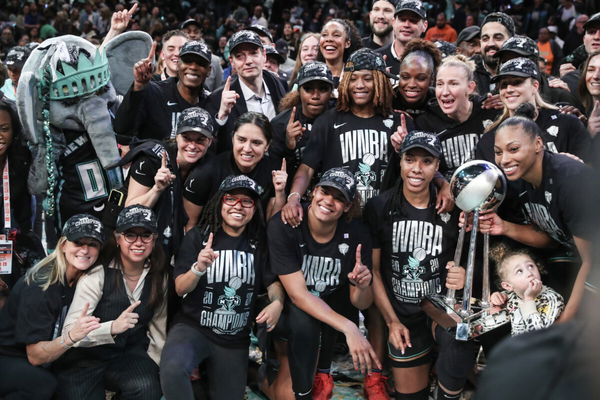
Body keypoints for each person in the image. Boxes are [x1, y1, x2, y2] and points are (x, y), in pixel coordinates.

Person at [365, 130, 476, 400]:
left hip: (439, 308)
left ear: (437, 166)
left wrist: (463, 275)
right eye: (410, 159)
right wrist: (392, 322)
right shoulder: (379, 207)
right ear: (400, 161)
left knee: (461, 339)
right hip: (403, 315)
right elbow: (375, 271)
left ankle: (447, 389)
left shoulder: (453, 208)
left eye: (426, 161)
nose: (417, 168)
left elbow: (467, 257)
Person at [160, 175, 284, 400]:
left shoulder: (259, 242)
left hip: (234, 338)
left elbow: (273, 283)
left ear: (254, 208)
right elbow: (179, 288)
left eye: (246, 201)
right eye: (231, 199)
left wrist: (277, 303)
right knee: (173, 370)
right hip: (193, 328)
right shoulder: (198, 237)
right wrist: (198, 268)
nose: (238, 206)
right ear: (220, 202)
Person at [268, 168, 379, 400]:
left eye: (338, 198)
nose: (329, 201)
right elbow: (298, 295)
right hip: (288, 309)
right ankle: (262, 374)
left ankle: (322, 371)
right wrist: (350, 328)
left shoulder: (357, 233)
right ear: (313, 192)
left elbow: (360, 303)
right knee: (291, 394)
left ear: (347, 207)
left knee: (336, 298)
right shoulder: (286, 223)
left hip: (330, 311)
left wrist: (363, 286)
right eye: (325, 192)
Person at [480, 104, 597, 322]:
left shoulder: (570, 179)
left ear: (538, 144)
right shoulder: (519, 181)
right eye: (498, 152)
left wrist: (564, 321)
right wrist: (504, 227)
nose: (504, 159)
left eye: (513, 149)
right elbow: (551, 238)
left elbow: (592, 260)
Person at [282, 48, 405, 228]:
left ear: (380, 81)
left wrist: (403, 150)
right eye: (353, 79)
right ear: (345, 81)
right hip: (339, 219)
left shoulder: (399, 122)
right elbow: (307, 168)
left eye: (367, 78)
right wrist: (293, 198)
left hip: (384, 218)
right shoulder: (328, 121)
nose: (359, 85)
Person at [55, 205, 168, 400]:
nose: (138, 242)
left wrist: (159, 366)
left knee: (148, 388)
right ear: (117, 238)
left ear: (154, 239)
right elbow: (70, 332)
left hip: (129, 355)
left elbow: (159, 329)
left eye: (146, 235)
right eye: (130, 235)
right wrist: (112, 327)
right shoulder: (97, 275)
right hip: (87, 357)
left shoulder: (159, 277)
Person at [0, 214, 105, 399]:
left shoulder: (85, 277)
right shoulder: (42, 285)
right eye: (78, 242)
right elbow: (35, 356)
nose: (85, 249)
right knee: (42, 384)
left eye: (92, 244)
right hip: (9, 355)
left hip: (44, 353)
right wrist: (70, 337)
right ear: (63, 245)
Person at [124, 107, 215, 259]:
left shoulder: (209, 165)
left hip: (172, 243)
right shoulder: (151, 160)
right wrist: (157, 189)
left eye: (200, 140)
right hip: (135, 239)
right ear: (176, 136)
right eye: (186, 138)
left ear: (210, 141)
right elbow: (130, 210)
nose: (192, 146)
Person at [476, 57, 590, 162]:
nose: (509, 89)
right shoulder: (491, 138)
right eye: (504, 85)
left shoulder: (566, 123)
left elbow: (590, 167)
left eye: (517, 82)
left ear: (535, 86)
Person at [183, 112, 284, 229]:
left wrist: (280, 192)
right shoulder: (206, 172)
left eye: (256, 143)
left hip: (255, 237)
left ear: (267, 146)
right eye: (241, 140)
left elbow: (273, 227)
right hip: (210, 237)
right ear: (232, 138)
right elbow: (189, 225)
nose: (247, 148)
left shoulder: (274, 171)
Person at [415, 55, 499, 180]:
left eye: (453, 84)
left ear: (470, 87)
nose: (445, 92)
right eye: (439, 84)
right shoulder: (425, 122)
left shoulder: (490, 111)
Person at [113, 39, 212, 141]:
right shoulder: (154, 92)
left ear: (209, 70)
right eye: (187, 61)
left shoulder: (211, 102)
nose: (193, 67)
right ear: (178, 64)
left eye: (200, 63)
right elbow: (121, 128)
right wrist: (138, 85)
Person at [209, 30, 286, 153]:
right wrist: (221, 117)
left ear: (264, 55)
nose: (248, 61)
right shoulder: (218, 98)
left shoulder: (278, 83)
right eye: (240, 56)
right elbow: (213, 148)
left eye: (253, 53)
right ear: (232, 61)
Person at [270, 61, 334, 194]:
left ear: (331, 91)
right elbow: (273, 170)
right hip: (292, 194)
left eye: (323, 89)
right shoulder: (281, 123)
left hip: (332, 194)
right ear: (299, 90)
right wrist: (288, 147)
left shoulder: (340, 117)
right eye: (308, 89)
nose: (315, 96)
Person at [488, 244, 564, 336]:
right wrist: (496, 298)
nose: (529, 273)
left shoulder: (552, 298)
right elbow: (494, 308)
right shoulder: (512, 296)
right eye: (519, 271)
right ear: (508, 286)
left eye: (531, 266)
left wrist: (529, 300)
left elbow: (537, 335)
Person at [376, 0, 429, 77]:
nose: (406, 25)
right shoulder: (376, 58)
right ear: (393, 22)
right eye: (402, 19)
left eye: (413, 20)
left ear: (425, 25)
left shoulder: (432, 60)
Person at [393, 39, 442, 119]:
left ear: (432, 79)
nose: (412, 85)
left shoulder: (440, 101)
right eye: (405, 77)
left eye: (421, 78)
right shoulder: (388, 100)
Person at [474, 12, 515, 97]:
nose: (491, 43)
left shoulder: (526, 73)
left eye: (498, 38)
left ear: (511, 41)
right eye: (485, 39)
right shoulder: (467, 73)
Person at [318, 19, 362, 87]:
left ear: (347, 43)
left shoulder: (357, 77)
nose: (329, 39)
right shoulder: (310, 76)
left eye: (336, 35)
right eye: (324, 35)